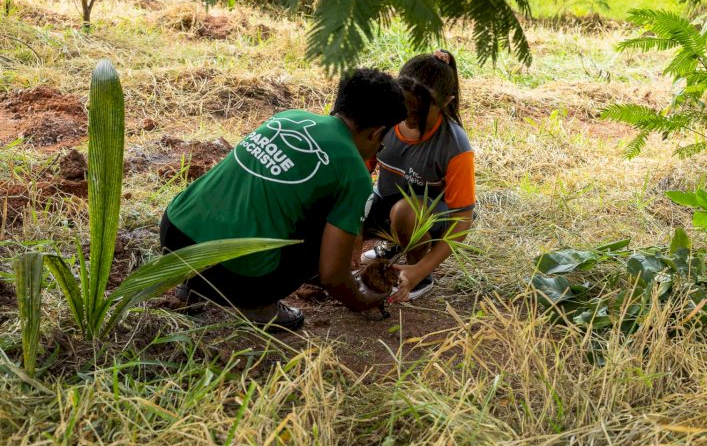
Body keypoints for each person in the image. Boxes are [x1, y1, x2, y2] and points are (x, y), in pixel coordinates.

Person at [160, 68, 407, 330]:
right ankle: (258, 306)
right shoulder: (354, 173)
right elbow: (332, 273)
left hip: (174, 238)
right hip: (236, 276)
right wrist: (362, 300)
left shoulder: (290, 117)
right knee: (325, 221)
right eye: (381, 144)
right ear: (375, 132)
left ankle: (191, 287)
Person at [359, 49, 475, 303]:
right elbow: (358, 172)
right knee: (349, 201)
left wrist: (420, 269)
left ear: (445, 102)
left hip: (426, 217)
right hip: (385, 203)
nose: (409, 117)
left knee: (405, 212)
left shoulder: (455, 147)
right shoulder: (384, 120)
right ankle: (394, 245)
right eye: (404, 105)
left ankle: (418, 273)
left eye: (419, 111)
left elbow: (463, 218)